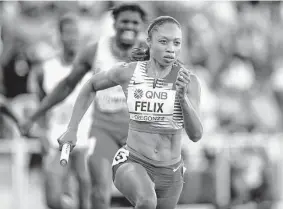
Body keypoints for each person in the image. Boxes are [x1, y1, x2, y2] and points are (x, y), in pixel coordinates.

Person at [58, 16, 203, 209]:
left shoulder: (188, 81)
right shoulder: (129, 73)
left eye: (176, 43)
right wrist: (72, 128)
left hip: (171, 171)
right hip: (133, 161)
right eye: (163, 41)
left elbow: (195, 135)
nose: (171, 48)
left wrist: (182, 98)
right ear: (149, 42)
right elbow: (91, 85)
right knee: (147, 202)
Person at [20, 4, 147, 209]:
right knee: (99, 193)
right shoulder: (95, 51)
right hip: (100, 131)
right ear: (114, 23)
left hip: (137, 132)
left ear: (142, 26)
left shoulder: (150, 52)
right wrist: (35, 116)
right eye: (124, 21)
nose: (129, 26)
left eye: (135, 22)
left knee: (146, 195)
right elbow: (67, 85)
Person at [25, 13, 92, 209]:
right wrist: (41, 133)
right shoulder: (45, 69)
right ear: (60, 36)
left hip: (86, 141)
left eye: (76, 33)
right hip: (56, 140)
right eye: (68, 33)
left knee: (86, 195)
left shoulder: (91, 68)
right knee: (53, 199)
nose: (73, 38)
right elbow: (37, 105)